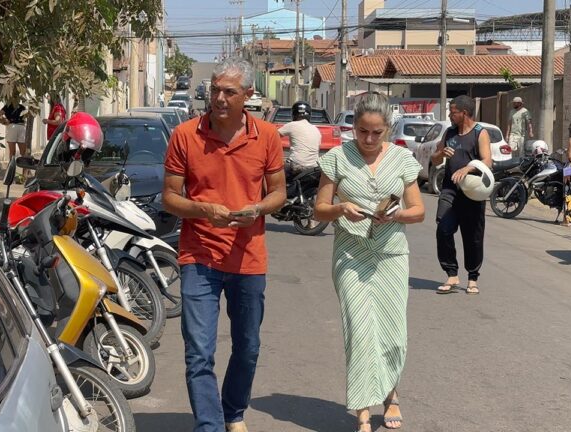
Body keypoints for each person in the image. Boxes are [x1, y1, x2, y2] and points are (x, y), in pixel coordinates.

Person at [162, 58, 286, 432]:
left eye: (228, 92)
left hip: (248, 258)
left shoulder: (266, 136)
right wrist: (201, 209)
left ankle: (232, 412)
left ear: (248, 95)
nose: (218, 97)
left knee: (247, 347)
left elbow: (278, 192)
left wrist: (259, 208)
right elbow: (170, 198)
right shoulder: (185, 135)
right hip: (198, 255)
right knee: (199, 350)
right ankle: (210, 425)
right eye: (214, 89)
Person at [314, 93, 425, 431]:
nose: (369, 139)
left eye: (377, 133)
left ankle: (391, 394)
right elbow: (319, 208)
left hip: (391, 255)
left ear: (387, 130)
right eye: (362, 131)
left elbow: (419, 211)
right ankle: (363, 408)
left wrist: (396, 216)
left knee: (393, 331)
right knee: (360, 330)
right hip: (351, 254)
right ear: (354, 128)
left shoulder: (403, 159)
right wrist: (340, 208)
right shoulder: (337, 157)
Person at [433, 95, 493, 295]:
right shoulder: (449, 132)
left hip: (473, 192)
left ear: (464, 113)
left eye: (453, 112)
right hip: (450, 189)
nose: (450, 115)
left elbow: (487, 161)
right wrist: (441, 155)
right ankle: (451, 273)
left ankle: (473, 277)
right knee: (443, 229)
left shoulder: (479, 133)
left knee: (473, 237)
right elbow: (434, 158)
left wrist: (468, 169)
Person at [278, 100, 321, 179]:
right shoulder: (315, 129)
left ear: (294, 114)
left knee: (274, 175)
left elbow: (273, 136)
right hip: (314, 167)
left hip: (296, 165)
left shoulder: (292, 125)